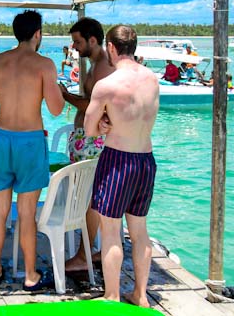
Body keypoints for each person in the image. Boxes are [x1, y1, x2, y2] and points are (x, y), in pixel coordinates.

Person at [0, 10, 64, 290]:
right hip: (30, 140)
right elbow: (56, 109)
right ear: (38, 34)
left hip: (2, 139)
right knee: (27, 212)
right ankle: (29, 275)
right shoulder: (44, 64)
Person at [84, 24, 159, 308]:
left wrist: (103, 123)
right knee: (140, 231)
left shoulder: (108, 85)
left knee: (112, 230)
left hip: (118, 158)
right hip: (146, 160)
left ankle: (112, 295)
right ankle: (141, 295)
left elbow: (90, 129)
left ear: (111, 48)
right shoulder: (152, 79)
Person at [58, 17, 115, 272]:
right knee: (92, 198)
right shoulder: (95, 65)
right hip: (88, 139)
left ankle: (84, 254)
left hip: (94, 142)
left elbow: (95, 106)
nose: (74, 47)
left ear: (93, 40)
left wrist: (65, 95)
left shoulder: (102, 67)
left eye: (78, 41)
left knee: (91, 199)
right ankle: (95, 250)